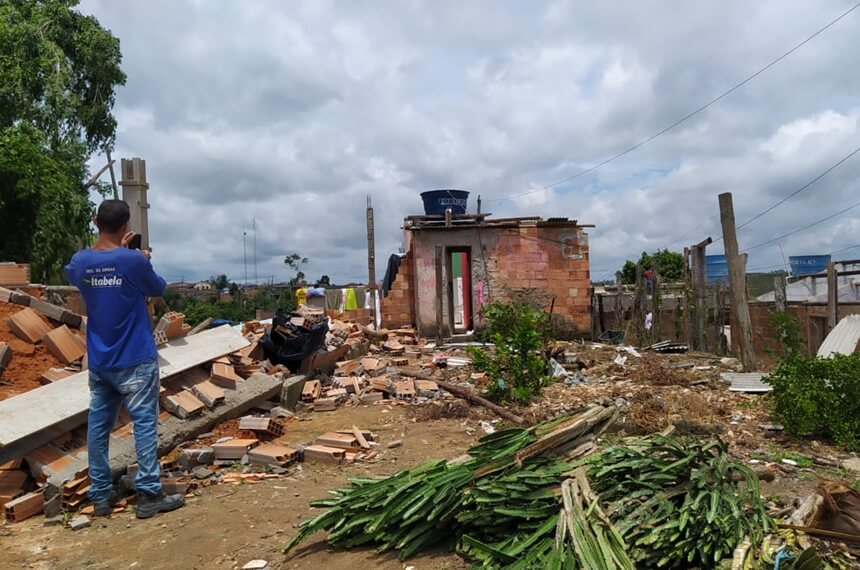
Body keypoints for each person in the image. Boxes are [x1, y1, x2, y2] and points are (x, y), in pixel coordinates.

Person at [64, 200, 184, 519]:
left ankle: (100, 496)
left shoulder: (80, 262)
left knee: (98, 427)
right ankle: (148, 495)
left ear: (95, 221)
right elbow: (157, 289)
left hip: (101, 361)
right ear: (126, 225)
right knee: (144, 424)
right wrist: (139, 258)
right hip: (135, 357)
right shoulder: (133, 261)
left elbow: (83, 274)